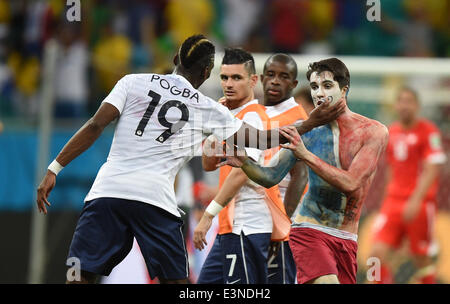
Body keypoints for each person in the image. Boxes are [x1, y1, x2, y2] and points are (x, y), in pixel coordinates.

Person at [36, 35, 344, 284]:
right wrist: (309, 123)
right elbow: (262, 139)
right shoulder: (209, 108)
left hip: (107, 193)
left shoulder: (132, 82)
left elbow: (94, 125)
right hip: (154, 200)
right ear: (208, 71)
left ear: (175, 60)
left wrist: (54, 168)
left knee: (81, 276)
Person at [220, 58, 389, 284]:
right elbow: (270, 177)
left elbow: (351, 183)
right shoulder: (306, 131)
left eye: (327, 86)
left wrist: (305, 154)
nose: (319, 93)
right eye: (314, 87)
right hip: (309, 230)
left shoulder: (373, 132)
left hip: (347, 238)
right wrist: (245, 162)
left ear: (344, 89)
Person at [194, 48, 306, 284]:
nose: (229, 84)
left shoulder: (253, 118)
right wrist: (216, 121)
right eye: (224, 78)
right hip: (230, 223)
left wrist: (207, 215)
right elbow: (208, 164)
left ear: (253, 81)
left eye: (237, 78)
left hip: (250, 223)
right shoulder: (230, 117)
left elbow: (240, 174)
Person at [369, 87, 446, 284]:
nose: (404, 105)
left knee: (421, 258)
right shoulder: (392, 131)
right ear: (395, 105)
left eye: (409, 101)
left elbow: (432, 169)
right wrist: (386, 199)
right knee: (375, 254)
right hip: (393, 202)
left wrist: (416, 200)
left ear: (417, 106)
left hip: (419, 204)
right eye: (401, 101)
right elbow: (392, 169)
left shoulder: (428, 131)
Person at [260, 53, 309, 284]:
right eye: (271, 75)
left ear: (294, 84)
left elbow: (300, 175)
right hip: (254, 217)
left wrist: (283, 223)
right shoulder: (255, 113)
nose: (275, 81)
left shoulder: (298, 118)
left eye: (283, 76)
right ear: (261, 78)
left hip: (281, 219)